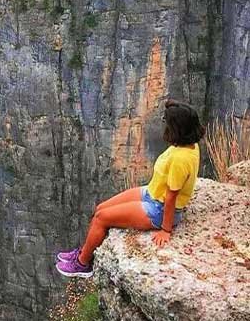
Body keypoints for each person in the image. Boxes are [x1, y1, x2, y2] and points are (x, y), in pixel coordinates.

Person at [56, 99, 206, 278]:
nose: (164, 125)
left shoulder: (181, 158)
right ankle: (84, 251)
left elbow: (172, 197)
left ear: (177, 128)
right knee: (100, 209)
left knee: (101, 218)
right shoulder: (189, 145)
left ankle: (82, 265)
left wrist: (166, 230)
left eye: (166, 122)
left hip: (159, 209)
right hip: (151, 193)